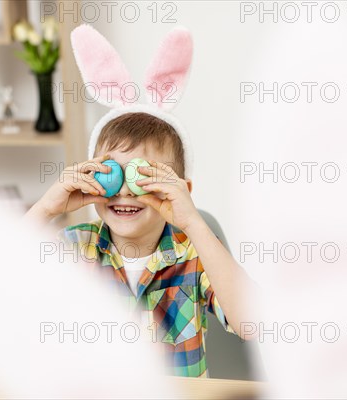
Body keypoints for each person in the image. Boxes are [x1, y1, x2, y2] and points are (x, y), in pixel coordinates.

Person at [25, 24, 257, 378]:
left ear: (182, 189)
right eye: (111, 174)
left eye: (145, 176)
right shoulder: (75, 248)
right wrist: (46, 209)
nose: (126, 190)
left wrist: (193, 223)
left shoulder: (193, 257)